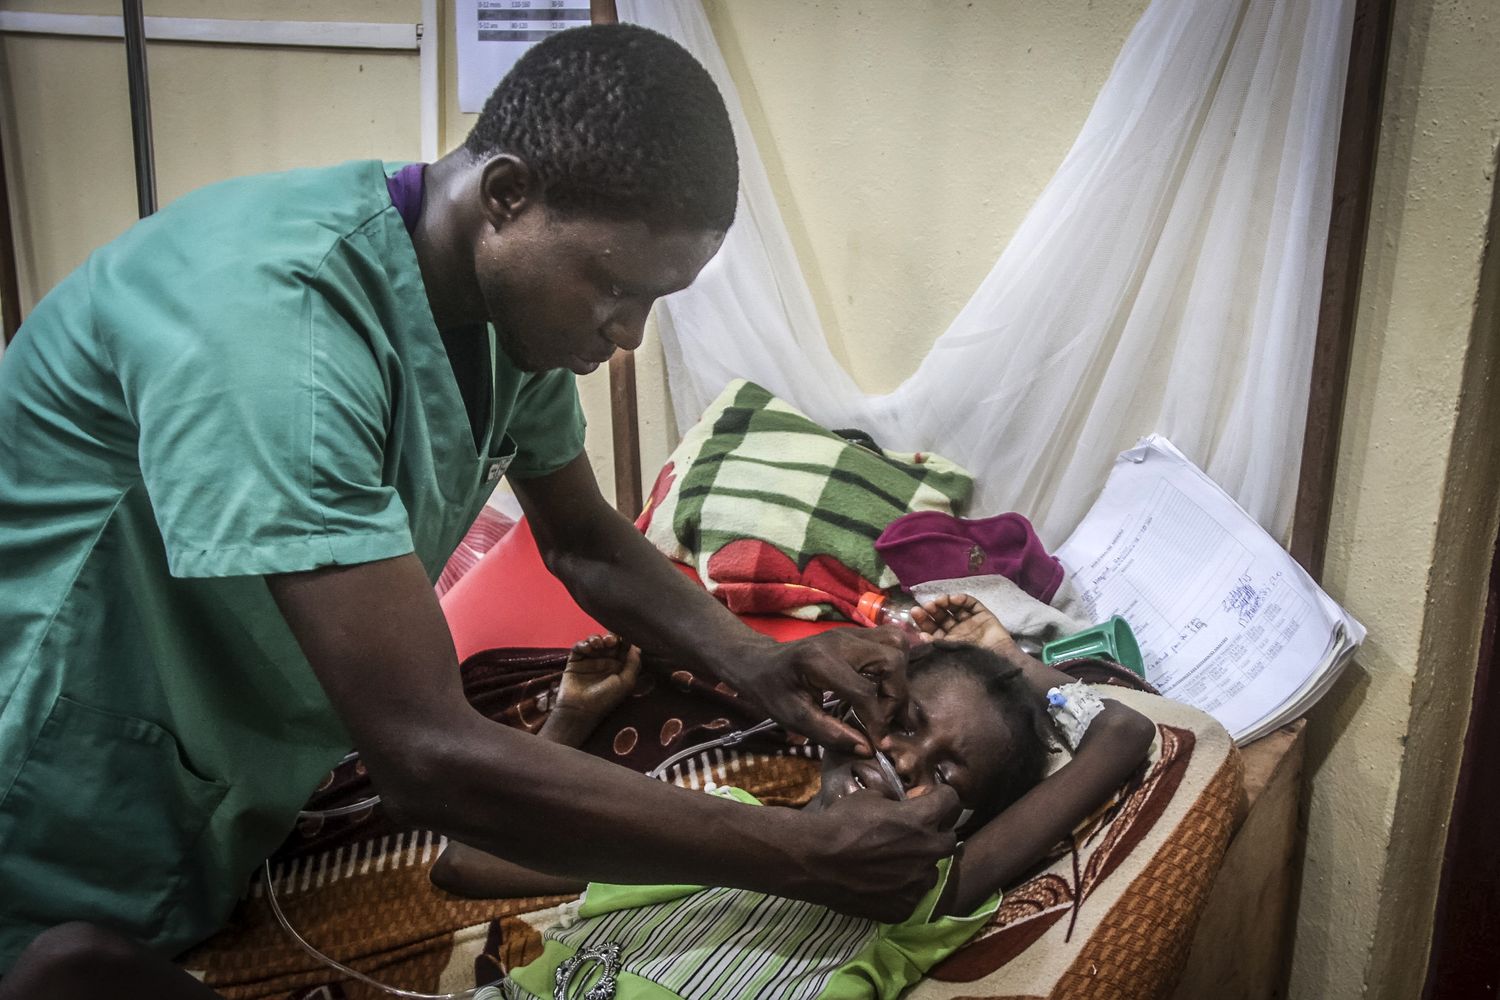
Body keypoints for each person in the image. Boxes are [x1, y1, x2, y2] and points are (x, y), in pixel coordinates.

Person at [0, 24, 956, 997]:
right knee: (55, 971)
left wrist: (757, 659)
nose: (628, 333)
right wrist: (797, 850)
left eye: (656, 299)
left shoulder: (498, 311)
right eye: (618, 288)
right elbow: (425, 754)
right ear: (506, 196)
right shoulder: (279, 331)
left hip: (208, 773)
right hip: (53, 773)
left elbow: (583, 542)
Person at [432, 595, 1157, 1000]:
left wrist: (1006, 656)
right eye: (902, 723)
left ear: (960, 824)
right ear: (846, 718)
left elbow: (1121, 734)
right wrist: (573, 719)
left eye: (947, 777)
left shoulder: (927, 893)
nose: (906, 760)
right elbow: (465, 861)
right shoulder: (718, 826)